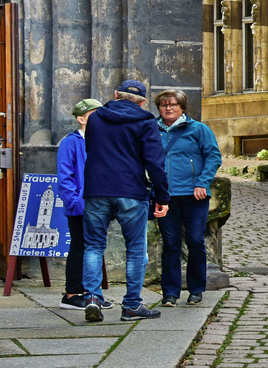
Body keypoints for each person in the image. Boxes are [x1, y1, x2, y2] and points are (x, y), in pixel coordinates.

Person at [82, 80, 169, 323]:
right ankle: (131, 305)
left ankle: (92, 298)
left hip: (97, 188)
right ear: (142, 102)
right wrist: (162, 197)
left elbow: (92, 150)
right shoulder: (145, 121)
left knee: (94, 246)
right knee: (135, 249)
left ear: (114, 95)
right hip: (131, 190)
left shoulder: (96, 118)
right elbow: (155, 162)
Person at [155, 89, 222, 307]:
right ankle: (170, 293)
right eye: (164, 105)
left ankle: (196, 289)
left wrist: (202, 182)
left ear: (182, 107)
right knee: (171, 244)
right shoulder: (152, 130)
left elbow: (213, 156)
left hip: (194, 195)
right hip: (165, 197)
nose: (168, 108)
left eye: (173, 104)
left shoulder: (198, 129)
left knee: (195, 240)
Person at [56, 99, 113, 311]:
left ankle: (92, 295)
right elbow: (65, 176)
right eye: (93, 115)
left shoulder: (103, 139)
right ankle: (72, 294)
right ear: (81, 119)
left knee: (95, 248)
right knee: (80, 247)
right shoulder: (71, 142)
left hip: (100, 202)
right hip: (80, 205)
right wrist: (74, 201)